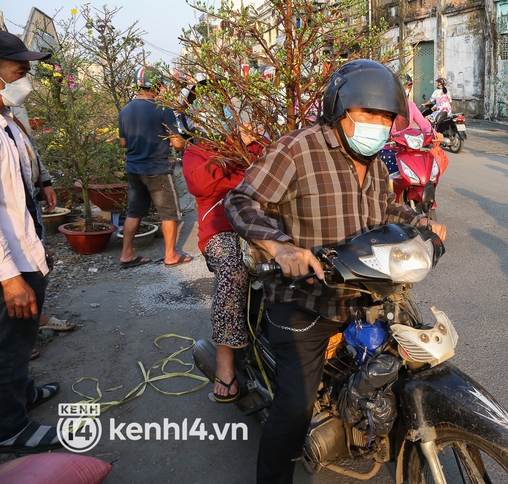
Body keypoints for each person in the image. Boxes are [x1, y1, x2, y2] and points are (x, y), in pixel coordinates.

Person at [225, 60, 446, 484]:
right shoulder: (298, 149)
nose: (377, 125)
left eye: (385, 118)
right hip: (305, 300)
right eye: (367, 114)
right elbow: (242, 201)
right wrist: (279, 245)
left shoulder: (376, 162)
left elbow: (385, 209)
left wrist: (422, 223)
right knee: (293, 410)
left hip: (365, 294)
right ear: (339, 110)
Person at [0, 31, 61, 453]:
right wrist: (8, 278)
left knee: (20, 341)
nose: (26, 71)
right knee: (8, 343)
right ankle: (10, 427)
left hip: (25, 252)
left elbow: (20, 178)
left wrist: (43, 186)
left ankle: (21, 394)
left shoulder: (7, 119)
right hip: (8, 265)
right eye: (17, 65)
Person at [183, 129, 264, 402]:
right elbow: (197, 184)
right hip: (222, 230)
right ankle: (225, 357)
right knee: (232, 267)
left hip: (264, 223)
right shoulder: (198, 150)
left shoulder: (260, 142)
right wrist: (233, 147)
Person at [118, 67, 191, 268]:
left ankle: (126, 254)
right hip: (157, 170)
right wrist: (183, 140)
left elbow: (123, 143)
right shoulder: (162, 109)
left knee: (134, 212)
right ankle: (170, 255)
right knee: (169, 213)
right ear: (157, 86)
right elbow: (177, 143)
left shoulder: (125, 110)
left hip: (133, 169)